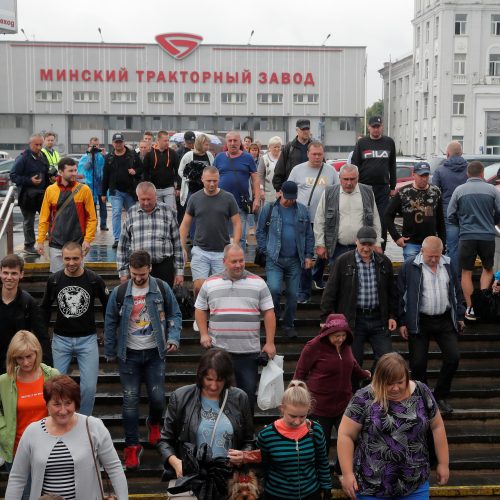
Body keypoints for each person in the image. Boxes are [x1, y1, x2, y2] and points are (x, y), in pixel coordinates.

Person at [104, 249, 182, 471]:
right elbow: (110, 322)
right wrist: (110, 350)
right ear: (129, 269)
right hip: (129, 355)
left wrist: (174, 337)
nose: (138, 278)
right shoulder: (120, 293)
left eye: (142, 274)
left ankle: (154, 423)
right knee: (130, 402)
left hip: (155, 353)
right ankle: (131, 447)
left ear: (149, 268)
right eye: (134, 274)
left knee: (158, 398)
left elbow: (175, 314)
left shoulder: (161, 288)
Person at [337, 352, 449, 499]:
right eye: (389, 384)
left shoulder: (421, 392)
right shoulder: (364, 397)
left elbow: (437, 426)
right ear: (378, 380)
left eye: (400, 382)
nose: (395, 388)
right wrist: (347, 474)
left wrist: (443, 463)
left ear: (407, 376)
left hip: (415, 484)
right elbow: (345, 434)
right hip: (372, 486)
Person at [5, 375, 128, 499]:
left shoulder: (93, 426)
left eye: (68, 403)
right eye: (57, 404)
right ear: (47, 404)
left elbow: (114, 469)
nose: (63, 411)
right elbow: (17, 478)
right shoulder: (32, 431)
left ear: (76, 403)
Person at [157, 348, 254, 497]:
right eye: (209, 379)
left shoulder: (240, 398)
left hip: (228, 481)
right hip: (191, 479)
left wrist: (243, 456)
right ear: (200, 375)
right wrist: (176, 462)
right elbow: (164, 441)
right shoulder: (181, 397)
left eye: (219, 380)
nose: (214, 386)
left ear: (227, 378)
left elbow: (248, 440)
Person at [195, 243, 276, 410]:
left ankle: (246, 434)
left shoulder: (259, 283)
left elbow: (269, 312)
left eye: (241, 261)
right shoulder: (210, 283)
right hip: (218, 352)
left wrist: (270, 342)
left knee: (247, 398)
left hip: (248, 352)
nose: (238, 265)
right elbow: (200, 309)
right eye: (234, 261)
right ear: (224, 261)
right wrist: (203, 334)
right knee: (218, 397)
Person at [40, 242, 109, 416]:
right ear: (61, 258)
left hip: (87, 340)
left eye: (75, 258)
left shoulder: (93, 279)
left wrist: (107, 330)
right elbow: (44, 308)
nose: (71, 263)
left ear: (82, 256)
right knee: (55, 386)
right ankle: (57, 420)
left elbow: (109, 305)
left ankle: (83, 420)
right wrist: (41, 337)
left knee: (89, 387)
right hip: (61, 340)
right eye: (67, 259)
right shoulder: (54, 280)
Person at [398, 236, 465, 415]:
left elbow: (456, 290)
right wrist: (402, 321)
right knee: (418, 363)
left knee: (453, 357)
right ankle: (423, 399)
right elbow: (400, 295)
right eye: (430, 256)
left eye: (437, 256)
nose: (434, 260)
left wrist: (459, 315)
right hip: (420, 319)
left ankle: (440, 395)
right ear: (422, 251)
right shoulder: (409, 266)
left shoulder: (449, 264)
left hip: (444, 318)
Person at [321, 226, 398, 378]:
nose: (366, 248)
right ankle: (356, 395)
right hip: (353, 320)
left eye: (369, 244)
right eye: (363, 244)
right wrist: (325, 318)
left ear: (374, 244)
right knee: (353, 361)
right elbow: (330, 291)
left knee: (387, 359)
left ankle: (371, 386)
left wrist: (393, 315)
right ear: (356, 242)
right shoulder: (343, 261)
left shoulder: (384, 262)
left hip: (378, 319)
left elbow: (392, 292)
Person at [293, 314, 370, 461]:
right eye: (336, 336)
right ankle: (321, 477)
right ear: (327, 333)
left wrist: (365, 374)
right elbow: (299, 374)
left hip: (344, 404)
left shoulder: (346, 345)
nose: (340, 339)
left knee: (351, 440)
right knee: (321, 445)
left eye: (343, 335)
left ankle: (341, 472)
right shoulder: (313, 346)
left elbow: (352, 364)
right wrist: (296, 396)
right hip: (319, 406)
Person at [179, 166, 241, 330]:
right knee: (199, 286)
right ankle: (200, 315)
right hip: (200, 250)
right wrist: (182, 246)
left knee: (219, 289)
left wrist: (235, 244)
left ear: (219, 179)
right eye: (209, 181)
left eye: (215, 181)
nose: (212, 184)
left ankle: (216, 315)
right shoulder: (195, 198)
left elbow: (236, 222)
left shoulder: (228, 198)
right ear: (202, 180)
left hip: (222, 251)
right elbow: (185, 224)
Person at [0, 330, 59, 494]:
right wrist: (3, 431)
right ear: (13, 358)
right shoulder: (4, 381)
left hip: (50, 450)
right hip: (17, 451)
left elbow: (65, 408)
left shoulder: (52, 376)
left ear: (37, 353)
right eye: (20, 358)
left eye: (29, 356)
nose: (25, 362)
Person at [256, 180, 314, 338]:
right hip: (274, 258)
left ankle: (288, 324)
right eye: (287, 197)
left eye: (292, 198)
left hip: (295, 259)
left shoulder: (302, 210)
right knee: (273, 289)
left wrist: (309, 255)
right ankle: (273, 320)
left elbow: (309, 234)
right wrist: (264, 249)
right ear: (280, 193)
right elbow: (260, 231)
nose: (289, 201)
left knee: (293, 294)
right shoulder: (269, 208)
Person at [256, 380, 332, 500]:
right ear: (282, 408)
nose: (297, 421)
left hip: (311, 493)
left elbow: (322, 461)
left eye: (302, 416)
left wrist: (327, 488)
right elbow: (262, 467)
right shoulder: (267, 435)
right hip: (276, 495)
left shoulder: (315, 430)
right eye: (292, 416)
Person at [447, 160, 500, 320]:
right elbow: (499, 212)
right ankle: (482, 302)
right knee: (488, 268)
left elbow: (450, 214)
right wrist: (491, 222)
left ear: (467, 174)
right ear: (483, 173)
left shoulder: (459, 190)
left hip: (467, 236)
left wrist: (462, 225)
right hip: (487, 236)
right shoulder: (492, 190)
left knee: (466, 272)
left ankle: (470, 308)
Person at [288, 140, 339, 302]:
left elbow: (338, 193)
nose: (317, 157)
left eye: (320, 154)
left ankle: (317, 275)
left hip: (325, 220)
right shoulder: (298, 170)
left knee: (323, 252)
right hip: (303, 219)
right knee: (305, 255)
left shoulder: (330, 171)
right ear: (308, 154)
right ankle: (304, 291)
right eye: (314, 154)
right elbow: (289, 191)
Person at [117, 181, 184, 288]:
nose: (146, 202)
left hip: (164, 267)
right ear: (137, 197)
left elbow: (177, 243)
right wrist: (123, 273)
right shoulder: (131, 213)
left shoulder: (168, 211)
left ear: (155, 196)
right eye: (143, 199)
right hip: (138, 269)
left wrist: (179, 272)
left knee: (165, 299)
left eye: (149, 199)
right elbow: (122, 245)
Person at [36, 156, 97, 273]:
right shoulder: (50, 190)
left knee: (78, 279)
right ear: (60, 172)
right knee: (56, 280)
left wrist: (88, 240)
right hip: (56, 243)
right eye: (70, 171)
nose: (74, 173)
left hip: (78, 243)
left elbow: (92, 218)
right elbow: (44, 218)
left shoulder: (85, 190)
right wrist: (40, 241)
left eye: (75, 170)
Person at [314, 163, 382, 266]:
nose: (349, 183)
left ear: (358, 178)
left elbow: (375, 219)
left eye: (352, 179)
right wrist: (320, 244)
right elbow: (319, 219)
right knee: (338, 280)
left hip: (363, 247)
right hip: (337, 248)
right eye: (345, 179)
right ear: (339, 178)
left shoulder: (367, 192)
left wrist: (377, 243)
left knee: (361, 279)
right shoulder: (329, 193)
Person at [350, 115, 397, 251]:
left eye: (378, 126)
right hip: (365, 187)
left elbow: (392, 165)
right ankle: (361, 247)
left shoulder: (389, 142)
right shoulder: (362, 143)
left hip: (383, 188)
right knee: (364, 218)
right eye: (373, 127)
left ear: (382, 127)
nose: (376, 129)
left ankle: (380, 248)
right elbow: (354, 164)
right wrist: (354, 184)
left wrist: (393, 186)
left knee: (382, 220)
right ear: (369, 127)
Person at [0, 254, 52, 373]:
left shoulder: (29, 302)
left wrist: (46, 368)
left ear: (21, 274)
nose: (9, 277)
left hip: (19, 364)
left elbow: (42, 337)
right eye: (5, 273)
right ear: (0, 272)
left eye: (14, 273)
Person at [385, 161, 446, 260]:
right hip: (411, 243)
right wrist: (396, 237)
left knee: (430, 273)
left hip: (431, 243)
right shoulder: (403, 192)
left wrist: (443, 242)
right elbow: (388, 215)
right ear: (414, 175)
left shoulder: (435, 192)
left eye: (426, 175)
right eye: (421, 176)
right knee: (412, 272)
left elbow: (440, 219)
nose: (424, 179)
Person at [214, 131, 261, 251]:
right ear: (226, 142)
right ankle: (224, 266)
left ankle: (239, 265)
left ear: (240, 142)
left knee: (240, 238)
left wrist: (256, 199)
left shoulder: (248, 157)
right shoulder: (219, 157)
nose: (232, 143)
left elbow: (255, 179)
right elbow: (213, 178)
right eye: (230, 141)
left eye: (235, 140)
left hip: (241, 204)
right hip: (221, 204)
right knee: (222, 237)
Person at [10, 134, 50, 255]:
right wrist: (29, 180)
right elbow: (13, 176)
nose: (39, 147)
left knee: (46, 219)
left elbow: (46, 172)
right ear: (30, 144)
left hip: (42, 194)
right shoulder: (22, 158)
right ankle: (29, 245)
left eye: (40, 145)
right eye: (36, 145)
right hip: (27, 195)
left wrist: (51, 179)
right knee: (29, 221)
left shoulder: (42, 156)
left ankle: (46, 241)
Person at [101, 132, 142, 249]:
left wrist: (135, 171)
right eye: (116, 142)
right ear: (113, 143)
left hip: (130, 191)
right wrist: (103, 193)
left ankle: (132, 236)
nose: (118, 144)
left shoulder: (133, 155)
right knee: (116, 212)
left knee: (132, 214)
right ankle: (118, 239)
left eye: (120, 142)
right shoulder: (109, 157)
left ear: (124, 142)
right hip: (115, 191)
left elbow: (141, 168)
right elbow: (105, 176)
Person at [432, 141, 468, 269]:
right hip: (468, 215)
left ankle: (454, 279)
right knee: (468, 247)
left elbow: (434, 194)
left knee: (452, 247)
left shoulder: (440, 171)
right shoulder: (469, 169)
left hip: (448, 214)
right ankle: (465, 277)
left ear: (447, 154)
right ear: (462, 153)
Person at [143, 130, 180, 209]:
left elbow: (178, 170)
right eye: (165, 140)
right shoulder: (150, 154)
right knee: (157, 211)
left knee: (171, 211)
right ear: (158, 140)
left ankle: (172, 222)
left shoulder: (173, 153)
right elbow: (145, 171)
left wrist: (178, 187)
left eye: (168, 140)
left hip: (169, 187)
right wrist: (147, 187)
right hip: (155, 188)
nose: (167, 142)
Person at [272, 119, 312, 191]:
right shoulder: (289, 147)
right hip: (292, 189)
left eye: (307, 129)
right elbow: (280, 169)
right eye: (303, 129)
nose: (306, 132)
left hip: (311, 187)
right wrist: (278, 189)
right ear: (297, 130)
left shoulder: (315, 147)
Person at [77, 137, 108, 231]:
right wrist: (90, 156)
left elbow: (107, 167)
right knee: (92, 206)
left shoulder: (102, 155)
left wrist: (104, 156)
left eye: (97, 145)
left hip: (101, 184)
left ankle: (103, 225)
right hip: (90, 185)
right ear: (89, 146)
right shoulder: (85, 156)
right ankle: (93, 224)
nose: (95, 147)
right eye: (93, 145)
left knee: (103, 206)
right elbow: (85, 168)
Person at [178, 133, 215, 208]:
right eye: (206, 145)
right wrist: (189, 178)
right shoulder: (188, 155)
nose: (208, 147)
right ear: (200, 144)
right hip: (192, 191)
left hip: (206, 191)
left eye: (208, 145)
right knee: (192, 213)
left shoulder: (209, 155)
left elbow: (213, 169)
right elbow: (180, 170)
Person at [258, 136, 282, 203]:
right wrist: (261, 189)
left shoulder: (284, 157)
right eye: (275, 147)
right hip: (268, 192)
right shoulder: (264, 158)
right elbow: (260, 175)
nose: (277, 149)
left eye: (278, 147)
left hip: (281, 192)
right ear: (270, 147)